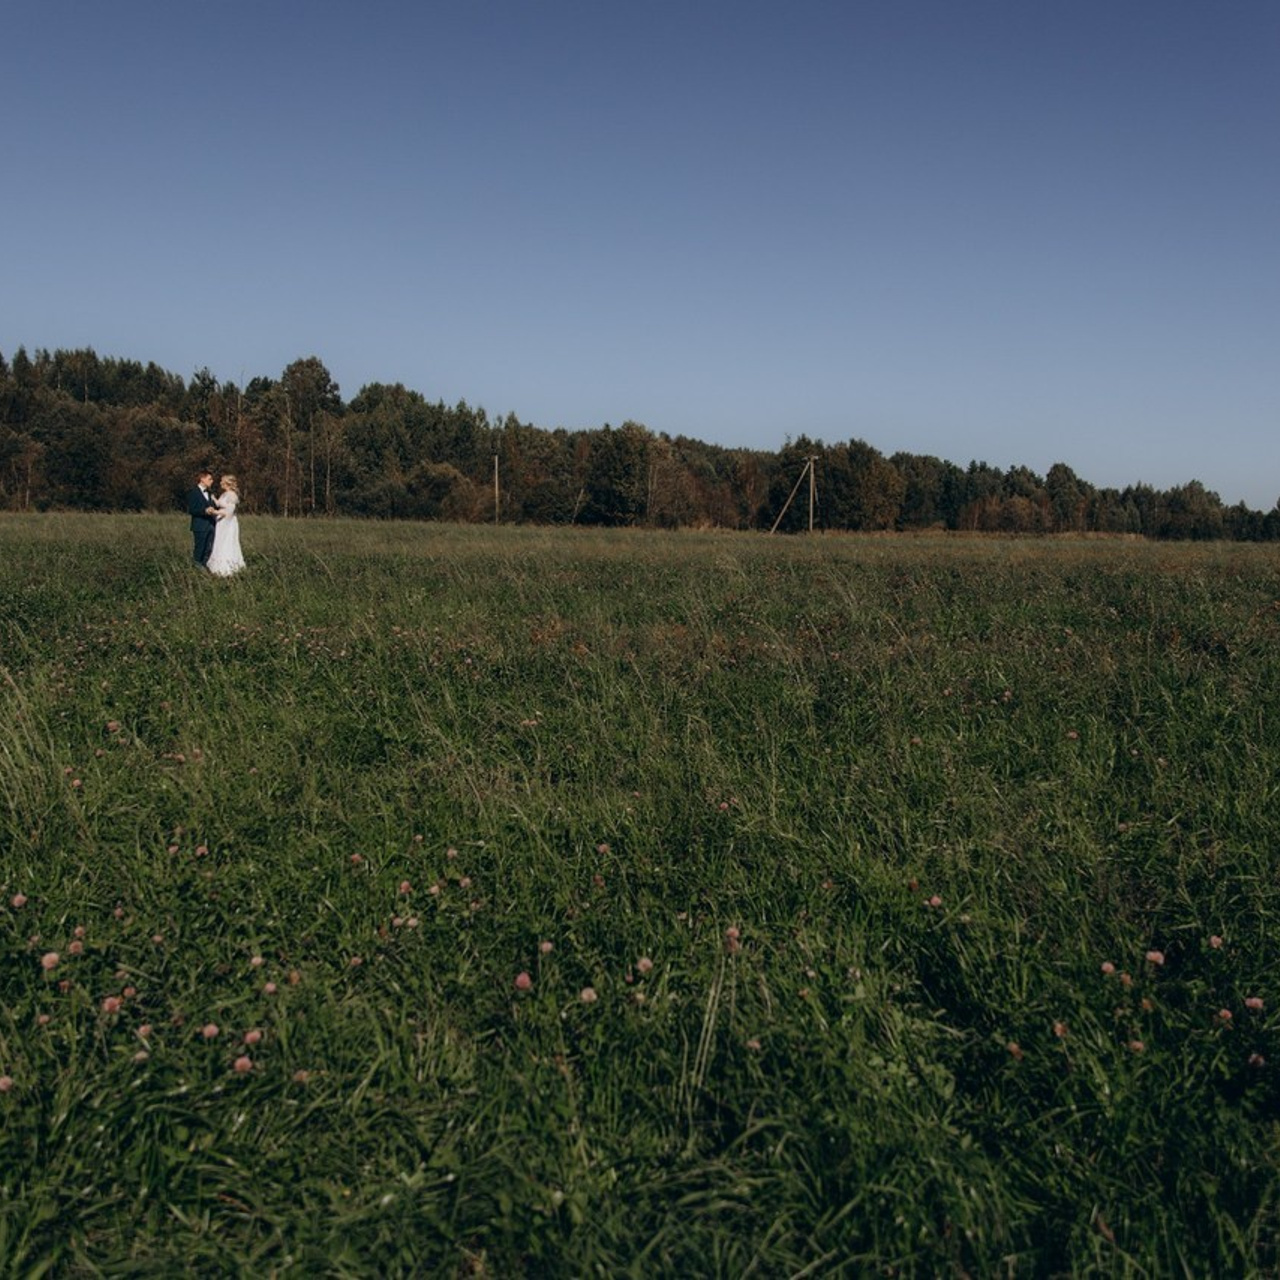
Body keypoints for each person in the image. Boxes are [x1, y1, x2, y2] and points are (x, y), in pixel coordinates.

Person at [207, 474, 246, 577]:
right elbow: (220, 504)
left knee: (227, 543)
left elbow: (229, 512)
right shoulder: (224, 494)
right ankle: (217, 567)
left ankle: (227, 569)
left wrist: (214, 512)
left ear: (227, 483)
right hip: (221, 522)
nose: (220, 483)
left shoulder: (232, 495)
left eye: (222, 481)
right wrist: (213, 498)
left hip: (228, 523)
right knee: (219, 542)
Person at [185, 469, 219, 569]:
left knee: (209, 548)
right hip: (200, 525)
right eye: (210, 479)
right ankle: (196, 567)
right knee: (200, 548)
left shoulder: (210, 493)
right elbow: (192, 509)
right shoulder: (193, 492)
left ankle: (205, 566)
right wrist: (205, 511)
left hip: (211, 525)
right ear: (202, 479)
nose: (212, 481)